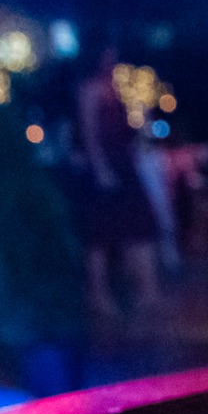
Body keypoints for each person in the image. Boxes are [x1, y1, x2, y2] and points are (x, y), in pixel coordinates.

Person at [74, 50, 162, 314]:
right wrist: (101, 170)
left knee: (136, 227)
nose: (111, 59)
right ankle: (99, 295)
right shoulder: (89, 89)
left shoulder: (119, 88)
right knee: (101, 235)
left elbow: (132, 133)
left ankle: (146, 291)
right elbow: (89, 134)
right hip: (104, 169)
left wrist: (142, 121)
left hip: (124, 166)